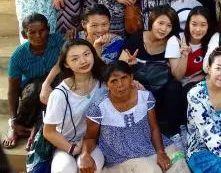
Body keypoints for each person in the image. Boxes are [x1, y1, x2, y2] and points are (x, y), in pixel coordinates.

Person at [79, 61, 185, 172]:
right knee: (151, 170)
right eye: (114, 81)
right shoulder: (99, 108)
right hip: (122, 158)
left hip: (151, 146)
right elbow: (90, 138)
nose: (120, 85)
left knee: (179, 165)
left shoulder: (145, 97)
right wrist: (84, 154)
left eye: (124, 78)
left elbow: (154, 128)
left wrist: (161, 152)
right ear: (106, 85)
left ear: (131, 77)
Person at [119, 5, 184, 137]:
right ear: (152, 21)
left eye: (169, 25)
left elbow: (177, 75)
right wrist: (130, 72)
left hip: (161, 90)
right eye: (160, 23)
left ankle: (173, 132)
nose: (163, 29)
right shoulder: (135, 39)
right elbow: (119, 69)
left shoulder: (172, 42)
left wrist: (184, 55)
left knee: (175, 86)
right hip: (138, 88)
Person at [42, 40, 107, 173]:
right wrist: (73, 149)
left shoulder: (103, 84)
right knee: (64, 170)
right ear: (66, 64)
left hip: (93, 143)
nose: (83, 61)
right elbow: (49, 131)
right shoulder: (60, 94)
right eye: (75, 58)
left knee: (91, 169)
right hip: (65, 143)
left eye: (86, 54)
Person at [3, 14, 65, 148]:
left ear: (48, 29)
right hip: (31, 91)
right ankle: (16, 126)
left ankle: (37, 128)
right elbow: (13, 90)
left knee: (61, 87)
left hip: (54, 84)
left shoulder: (59, 41)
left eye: (42, 31)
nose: (38, 36)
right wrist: (13, 119)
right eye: (32, 32)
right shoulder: (18, 56)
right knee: (35, 89)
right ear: (24, 35)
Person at [165, 6, 212, 88]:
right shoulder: (176, 40)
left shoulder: (212, 41)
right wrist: (185, 55)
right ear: (188, 24)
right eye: (194, 24)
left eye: (203, 25)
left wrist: (200, 78)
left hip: (199, 84)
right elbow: (178, 76)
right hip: (177, 86)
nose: (198, 29)